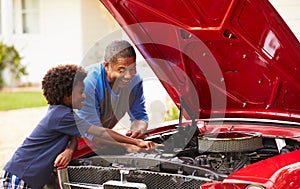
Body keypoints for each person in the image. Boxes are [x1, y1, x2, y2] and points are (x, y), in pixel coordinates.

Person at [0, 64, 156, 189]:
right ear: (67, 95)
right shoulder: (61, 116)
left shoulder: (61, 112)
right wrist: (136, 143)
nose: (84, 96)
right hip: (20, 176)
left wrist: (70, 149)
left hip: (25, 175)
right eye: (81, 92)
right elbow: (100, 132)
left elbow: (74, 134)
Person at [78, 40, 148, 142]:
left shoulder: (135, 81)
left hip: (103, 139)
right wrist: (130, 144)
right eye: (121, 70)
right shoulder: (89, 84)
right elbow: (93, 133)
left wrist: (139, 129)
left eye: (132, 69)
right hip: (74, 143)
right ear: (107, 66)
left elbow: (140, 116)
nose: (128, 76)